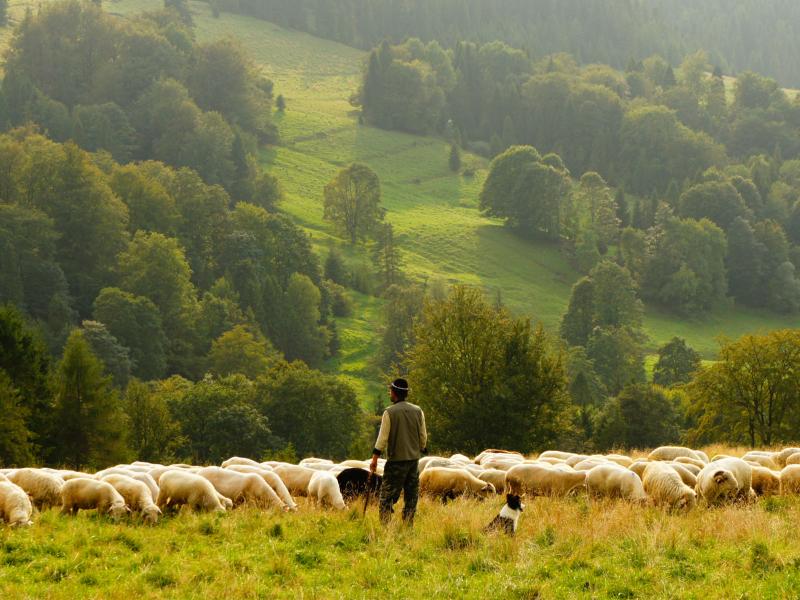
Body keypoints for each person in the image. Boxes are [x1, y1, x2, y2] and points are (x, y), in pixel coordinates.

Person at [370, 378, 427, 525]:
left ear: (394, 393)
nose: (389, 392)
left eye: (390, 390)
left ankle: (386, 528)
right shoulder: (418, 411)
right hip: (413, 461)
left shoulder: (389, 412)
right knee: (411, 497)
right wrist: (420, 448)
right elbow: (423, 436)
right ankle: (408, 526)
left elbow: (382, 439)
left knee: (387, 497)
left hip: (396, 462)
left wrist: (375, 458)